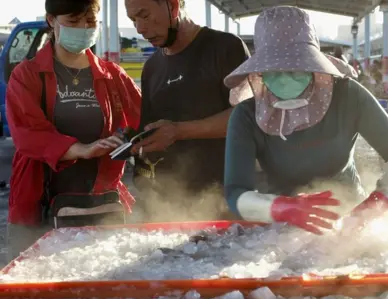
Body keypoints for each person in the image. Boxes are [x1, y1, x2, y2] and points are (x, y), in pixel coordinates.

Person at [223, 6, 388, 235]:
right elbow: (235, 192)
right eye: (274, 70)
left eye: (296, 68)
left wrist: (376, 202)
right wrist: (282, 208)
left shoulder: (348, 96)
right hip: (280, 221)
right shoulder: (246, 116)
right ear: (260, 71)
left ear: (314, 66)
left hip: (350, 215)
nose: (285, 78)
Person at [2, 0, 141, 264]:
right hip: (38, 205)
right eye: (73, 22)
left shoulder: (113, 76)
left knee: (102, 282)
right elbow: (27, 133)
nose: (83, 28)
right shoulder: (27, 75)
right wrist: (81, 149)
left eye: (90, 22)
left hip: (101, 202)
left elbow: (143, 120)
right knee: (33, 290)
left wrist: (133, 140)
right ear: (52, 21)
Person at [124, 0, 250, 221]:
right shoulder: (152, 67)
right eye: (133, 20)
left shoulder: (226, 48)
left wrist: (179, 131)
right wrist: (131, 141)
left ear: (173, 6)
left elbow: (249, 117)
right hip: (170, 205)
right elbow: (150, 129)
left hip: (223, 200)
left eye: (144, 15)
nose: (140, 29)